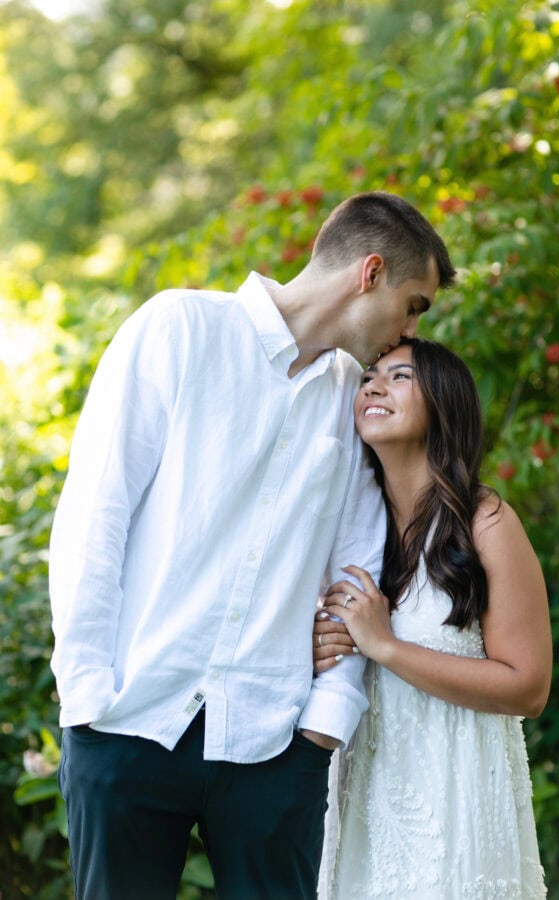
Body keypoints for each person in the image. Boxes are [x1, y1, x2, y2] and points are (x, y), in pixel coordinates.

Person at [48, 191, 455, 900]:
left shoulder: (351, 400)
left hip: (273, 748)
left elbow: (353, 569)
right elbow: (94, 516)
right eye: (414, 303)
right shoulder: (177, 329)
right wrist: (86, 697)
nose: (409, 329)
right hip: (128, 722)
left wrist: (323, 727)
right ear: (370, 273)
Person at [314, 338, 552, 899]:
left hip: (456, 807)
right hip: (365, 808)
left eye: (400, 377)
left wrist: (385, 646)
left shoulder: (485, 521)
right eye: (370, 375)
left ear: (443, 404)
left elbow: (529, 687)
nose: (373, 384)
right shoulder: (348, 527)